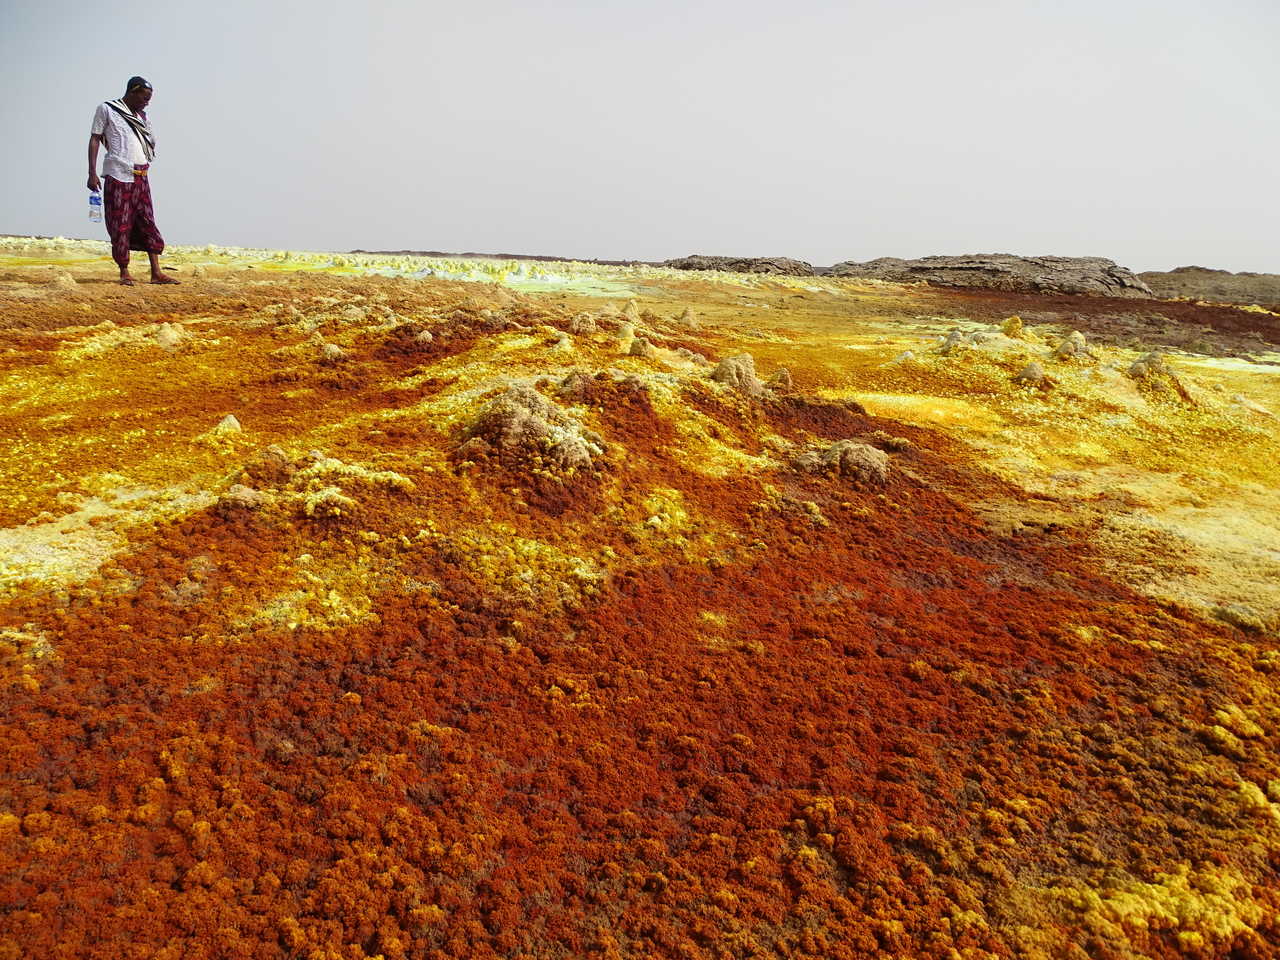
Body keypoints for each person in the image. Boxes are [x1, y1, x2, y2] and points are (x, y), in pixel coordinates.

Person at [87, 77, 178, 285]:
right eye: (144, 97)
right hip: (118, 174)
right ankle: (124, 272)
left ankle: (156, 272)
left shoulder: (142, 117)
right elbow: (94, 139)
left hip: (142, 175)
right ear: (132, 92)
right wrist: (92, 172)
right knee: (120, 223)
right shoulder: (107, 109)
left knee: (147, 222)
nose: (147, 102)